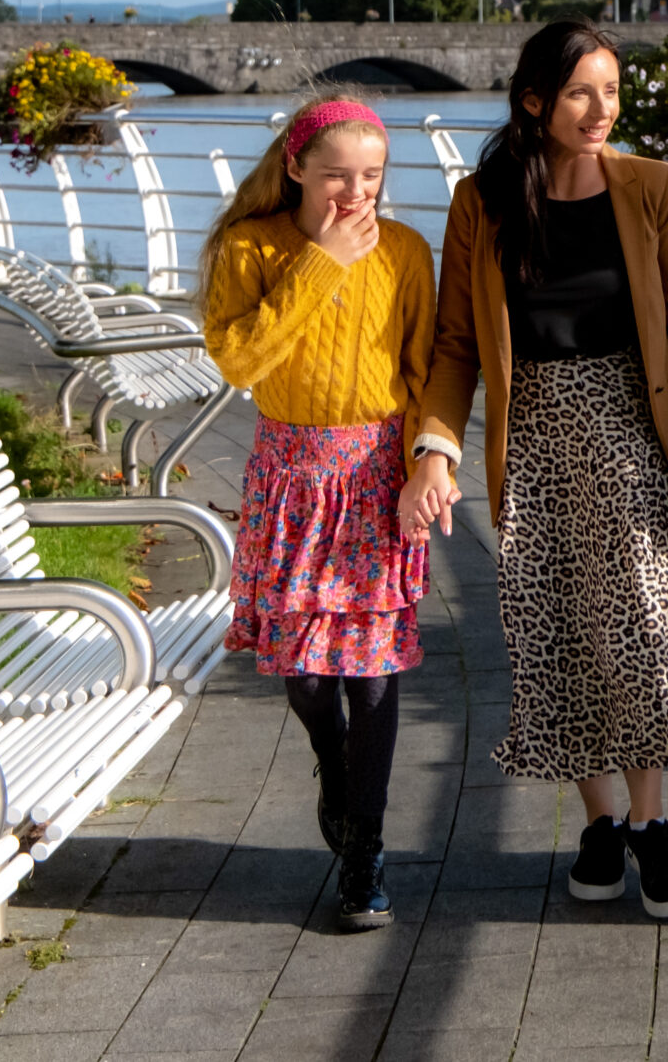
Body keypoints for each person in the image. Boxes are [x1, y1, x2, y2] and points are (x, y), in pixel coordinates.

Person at [405, 19, 668, 921]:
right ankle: (600, 823)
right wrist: (434, 446)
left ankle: (651, 822)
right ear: (534, 102)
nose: (602, 109)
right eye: (582, 92)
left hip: (633, 427)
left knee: (641, 622)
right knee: (552, 632)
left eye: (612, 90)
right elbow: (454, 345)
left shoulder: (651, 187)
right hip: (537, 442)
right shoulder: (481, 203)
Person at [200, 96, 436, 931]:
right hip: (291, 481)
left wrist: (426, 465)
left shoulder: (407, 250)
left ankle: (366, 851)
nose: (356, 191)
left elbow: (420, 371)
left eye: (371, 175)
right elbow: (239, 357)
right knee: (304, 671)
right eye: (338, 173)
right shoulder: (250, 246)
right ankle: (333, 764)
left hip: (376, 478)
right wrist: (322, 261)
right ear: (296, 166)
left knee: (372, 674)